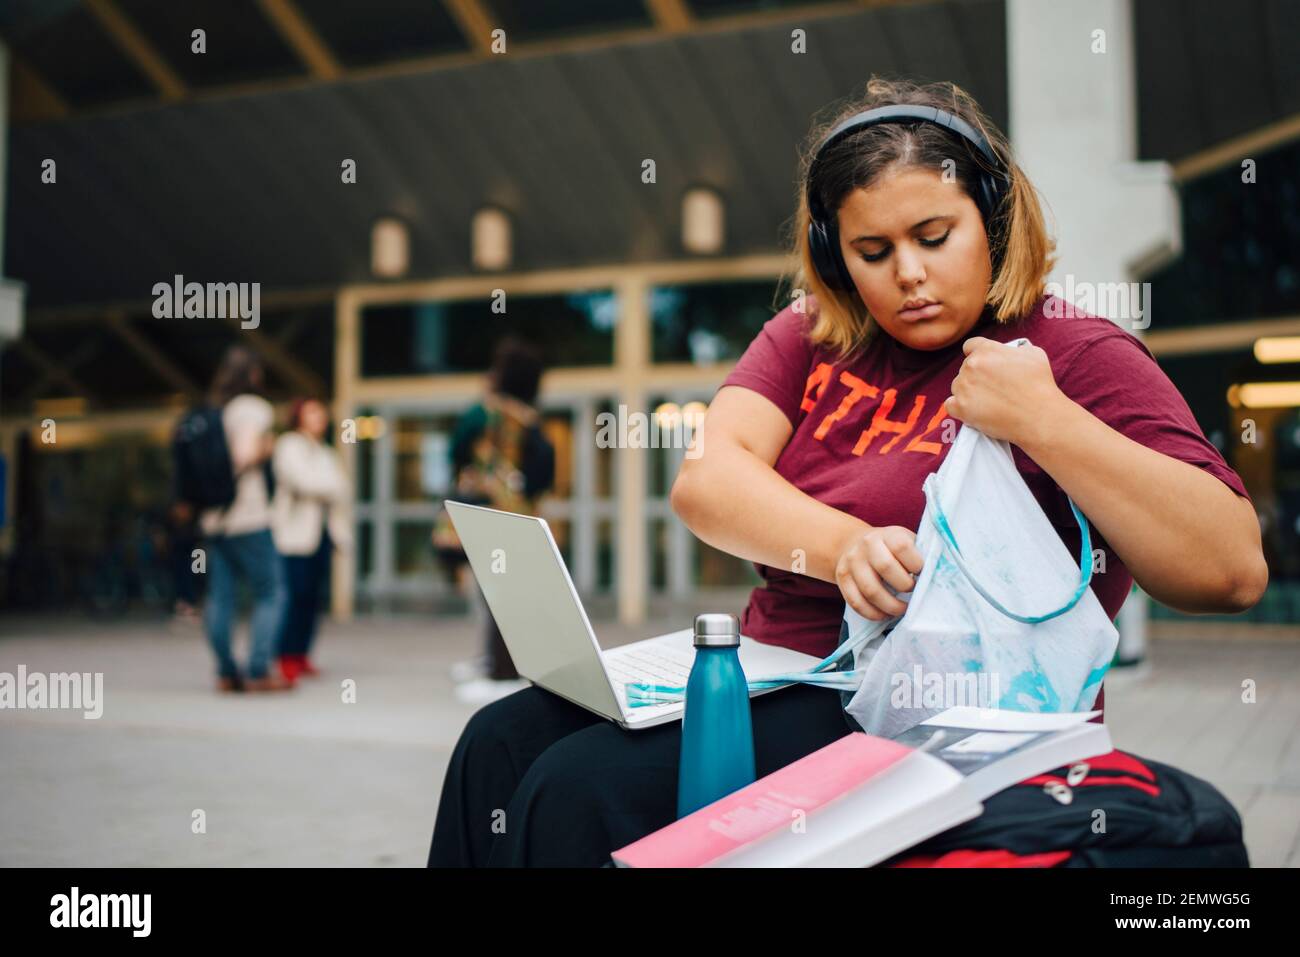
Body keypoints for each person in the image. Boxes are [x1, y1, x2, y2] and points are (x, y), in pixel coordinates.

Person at [427, 77, 1268, 867]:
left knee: (580, 790)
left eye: (935, 237)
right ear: (835, 257)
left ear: (998, 220)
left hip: (935, 712)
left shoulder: (1074, 351)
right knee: (495, 745)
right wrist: (845, 547)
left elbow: (1228, 570)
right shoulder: (812, 334)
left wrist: (1046, 420)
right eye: (872, 250)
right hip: (777, 670)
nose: (907, 274)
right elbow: (708, 478)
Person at [436, 338, 556, 706]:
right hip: (520, 514)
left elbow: (455, 450)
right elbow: (543, 473)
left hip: (486, 513)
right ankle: (501, 665)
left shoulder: (484, 412)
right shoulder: (531, 419)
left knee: (496, 595)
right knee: (507, 593)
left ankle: (501, 672)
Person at [198, 346, 291, 693]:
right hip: (248, 516)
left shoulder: (215, 411)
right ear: (254, 375)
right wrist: (267, 447)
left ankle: (226, 671)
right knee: (272, 592)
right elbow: (245, 454)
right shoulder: (253, 408)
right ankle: (258, 669)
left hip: (216, 518)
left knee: (221, 598)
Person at [270, 397, 352, 682]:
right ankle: (285, 655)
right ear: (298, 416)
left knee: (312, 599)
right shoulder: (289, 444)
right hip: (294, 537)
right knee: (294, 597)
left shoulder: (327, 452)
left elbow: (343, 488)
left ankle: (302, 653)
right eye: (312, 412)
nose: (320, 417)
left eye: (321, 411)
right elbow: (305, 482)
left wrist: (328, 487)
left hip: (322, 536)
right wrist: (329, 486)